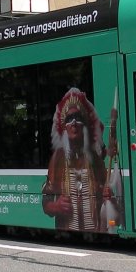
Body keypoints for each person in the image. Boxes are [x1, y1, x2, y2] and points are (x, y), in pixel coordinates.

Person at [42, 87, 119, 233]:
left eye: (78, 117)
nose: (74, 123)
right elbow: (46, 199)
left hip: (95, 230)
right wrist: (56, 206)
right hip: (66, 229)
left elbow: (108, 197)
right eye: (69, 119)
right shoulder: (57, 158)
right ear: (64, 126)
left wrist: (107, 197)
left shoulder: (95, 158)